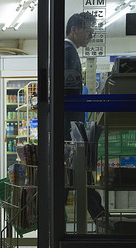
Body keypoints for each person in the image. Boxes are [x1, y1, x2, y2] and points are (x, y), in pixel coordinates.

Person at [64, 12, 105, 221]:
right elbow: (70, 93)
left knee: (73, 177)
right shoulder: (68, 51)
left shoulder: (67, 51)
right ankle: (100, 217)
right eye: (88, 29)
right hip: (69, 130)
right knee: (77, 176)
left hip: (68, 129)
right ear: (74, 29)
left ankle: (53, 223)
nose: (91, 34)